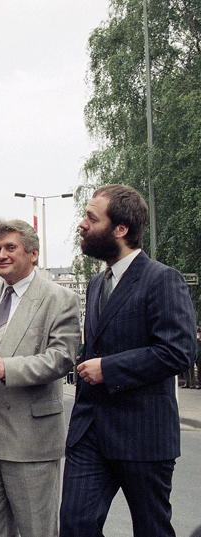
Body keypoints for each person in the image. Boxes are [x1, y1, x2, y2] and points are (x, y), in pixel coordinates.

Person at [60, 184, 197, 536]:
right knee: (75, 526)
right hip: (90, 432)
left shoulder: (162, 280)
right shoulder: (95, 284)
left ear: (120, 229)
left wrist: (108, 368)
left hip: (143, 434)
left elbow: (178, 351)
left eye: (92, 217)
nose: (82, 224)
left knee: (151, 529)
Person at [0, 218, 81, 537]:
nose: (1, 255)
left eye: (10, 247)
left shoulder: (60, 299)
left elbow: (62, 358)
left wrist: (7, 368)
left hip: (31, 440)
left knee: (37, 531)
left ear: (33, 253)